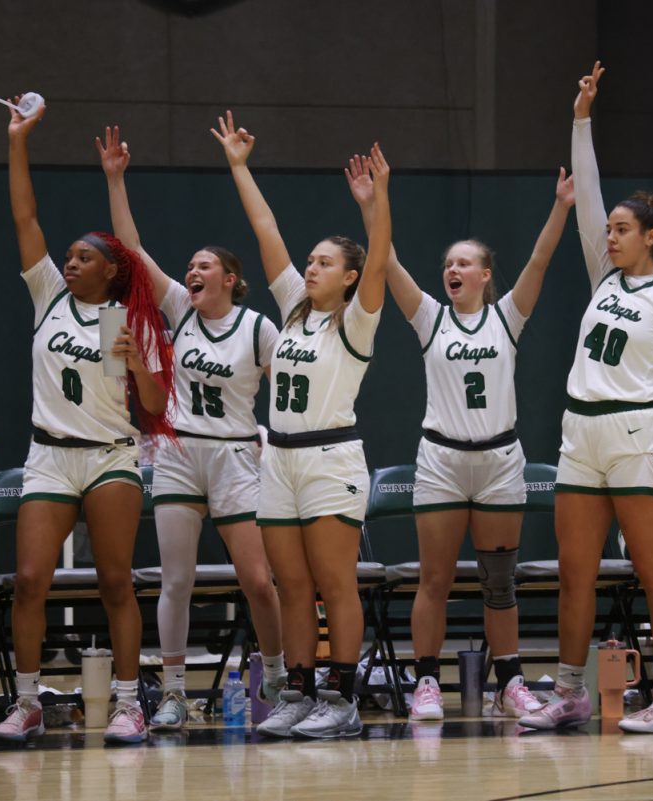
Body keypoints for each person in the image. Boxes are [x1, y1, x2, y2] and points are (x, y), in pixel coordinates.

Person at [344, 157, 574, 720]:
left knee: (500, 583)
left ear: (485, 274)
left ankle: (511, 682)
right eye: (448, 263)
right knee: (435, 579)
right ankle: (427, 682)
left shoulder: (508, 316)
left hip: (498, 462)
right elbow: (387, 259)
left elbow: (541, 258)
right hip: (442, 461)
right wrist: (374, 202)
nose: (453, 269)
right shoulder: (428, 319)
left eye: (464, 263)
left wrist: (561, 206)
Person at [520, 62, 653, 734]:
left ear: (650, 236)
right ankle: (570, 691)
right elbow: (589, 191)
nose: (610, 235)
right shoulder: (603, 278)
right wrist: (581, 116)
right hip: (581, 432)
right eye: (611, 230)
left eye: (623, 230)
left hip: (637, 434)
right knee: (575, 572)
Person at [0, 99, 175, 744]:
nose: (69, 263)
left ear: (112, 269)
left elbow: (154, 407)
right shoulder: (46, 296)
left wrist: (138, 366)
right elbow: (24, 214)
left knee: (115, 581)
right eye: (66, 256)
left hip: (110, 455)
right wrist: (19, 140)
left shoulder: (135, 323)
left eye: (82, 258)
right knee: (30, 582)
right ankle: (27, 701)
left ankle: (128, 704)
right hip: (49, 454)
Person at [97, 126, 286, 731]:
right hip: (178, 453)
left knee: (257, 579)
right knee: (175, 579)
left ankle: (279, 680)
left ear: (230, 277)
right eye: (190, 267)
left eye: (205, 266)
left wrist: (273, 445)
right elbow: (130, 248)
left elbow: (298, 386)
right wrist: (116, 177)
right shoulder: (178, 307)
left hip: (235, 455)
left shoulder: (258, 328)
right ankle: (174, 691)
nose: (192, 271)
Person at [218, 112, 392, 739]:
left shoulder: (357, 320)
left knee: (333, 583)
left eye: (324, 263)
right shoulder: (293, 310)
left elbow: (379, 264)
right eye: (310, 261)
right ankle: (297, 689)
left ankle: (341, 701)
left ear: (348, 277)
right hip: (280, 459)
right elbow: (265, 230)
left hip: (331, 460)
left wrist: (378, 204)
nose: (311, 268)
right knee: (290, 586)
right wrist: (240, 166)